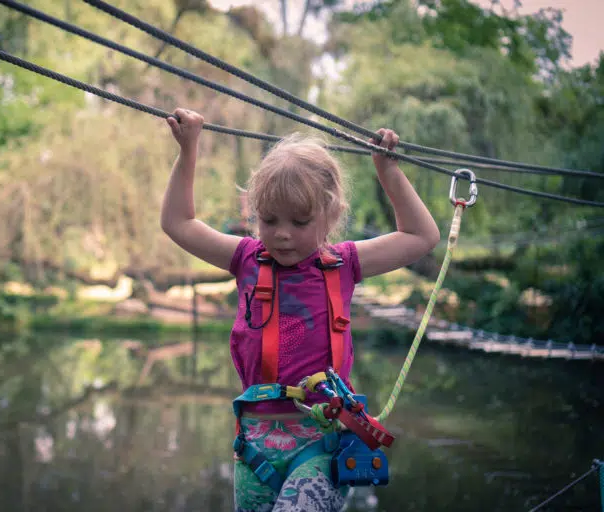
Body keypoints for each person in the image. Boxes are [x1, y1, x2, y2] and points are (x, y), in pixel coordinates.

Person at [161, 108, 440, 512]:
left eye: (300, 220)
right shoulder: (245, 258)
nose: (282, 234)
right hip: (254, 446)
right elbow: (178, 222)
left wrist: (388, 171)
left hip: (320, 442)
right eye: (269, 219)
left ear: (331, 216)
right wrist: (188, 149)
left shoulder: (344, 264)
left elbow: (421, 235)